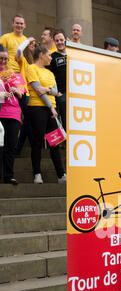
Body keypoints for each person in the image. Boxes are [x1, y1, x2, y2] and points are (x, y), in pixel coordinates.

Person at [26, 44, 66, 184]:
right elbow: (37, 90)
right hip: (37, 108)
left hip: (51, 109)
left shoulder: (50, 73)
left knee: (54, 142)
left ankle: (61, 175)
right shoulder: (31, 68)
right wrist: (51, 106)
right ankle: (37, 174)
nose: (51, 57)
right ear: (41, 54)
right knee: (37, 141)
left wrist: (47, 89)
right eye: (49, 55)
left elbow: (56, 91)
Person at [0, 45, 23, 184]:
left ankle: (9, 175)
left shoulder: (13, 74)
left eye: (5, 59)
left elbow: (21, 94)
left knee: (11, 145)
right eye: (0, 59)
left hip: (13, 112)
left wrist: (16, 90)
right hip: (0, 112)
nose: (3, 62)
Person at [15, 36, 36, 155]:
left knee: (28, 121)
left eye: (34, 44)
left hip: (34, 95)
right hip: (25, 93)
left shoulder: (37, 64)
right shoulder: (23, 60)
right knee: (28, 120)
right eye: (30, 44)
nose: (32, 45)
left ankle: (18, 149)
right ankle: (33, 146)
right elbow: (18, 50)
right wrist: (27, 41)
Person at [49, 30, 67, 130]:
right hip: (61, 94)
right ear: (54, 42)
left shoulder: (73, 54)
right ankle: (66, 143)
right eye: (57, 40)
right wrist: (57, 92)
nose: (59, 42)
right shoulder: (52, 57)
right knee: (65, 120)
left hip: (75, 93)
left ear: (65, 40)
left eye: (61, 40)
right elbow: (49, 76)